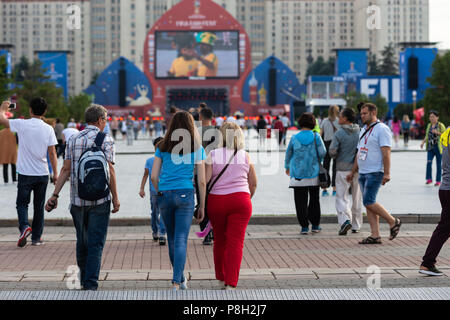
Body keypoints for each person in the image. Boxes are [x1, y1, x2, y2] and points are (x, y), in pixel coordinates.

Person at [45, 104, 120, 291]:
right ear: (100, 120)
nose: (106, 122)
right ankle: (91, 284)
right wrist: (116, 198)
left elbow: (65, 169)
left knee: (82, 240)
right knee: (96, 242)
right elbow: (110, 170)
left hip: (78, 200)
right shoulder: (107, 140)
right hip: (100, 200)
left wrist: (54, 195)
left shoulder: (74, 139)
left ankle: (83, 280)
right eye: (106, 119)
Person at [150, 111, 206, 291]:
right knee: (181, 238)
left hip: (165, 193)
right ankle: (177, 280)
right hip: (185, 194)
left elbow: (153, 176)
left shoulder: (162, 145)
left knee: (172, 238)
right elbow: (202, 181)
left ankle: (180, 278)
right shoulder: (197, 148)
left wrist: (160, 192)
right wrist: (202, 205)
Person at [0, 99, 58, 247]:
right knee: (39, 207)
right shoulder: (48, 128)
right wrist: (55, 173)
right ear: (44, 112)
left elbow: (3, 120)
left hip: (25, 173)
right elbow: (52, 153)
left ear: (30, 110)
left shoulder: (22, 124)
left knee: (22, 204)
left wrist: (2, 108)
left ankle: (25, 227)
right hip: (42, 173)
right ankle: (37, 238)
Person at [206, 122, 257, 290]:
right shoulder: (245, 156)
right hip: (241, 201)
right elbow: (254, 183)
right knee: (236, 243)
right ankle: (231, 282)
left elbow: (204, 181)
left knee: (219, 240)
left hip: (217, 201)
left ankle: (221, 278)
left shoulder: (212, 154)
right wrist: (246, 197)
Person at [347, 103, 401, 245]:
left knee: (368, 201)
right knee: (368, 204)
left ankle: (393, 221)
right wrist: (352, 171)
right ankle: (375, 235)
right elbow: (359, 152)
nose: (362, 115)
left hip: (375, 171)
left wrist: (387, 173)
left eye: (365, 113)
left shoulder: (382, 129)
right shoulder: (363, 129)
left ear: (373, 113)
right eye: (361, 113)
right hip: (363, 172)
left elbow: (386, 152)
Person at [285, 113, 326, 235]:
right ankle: (315, 225)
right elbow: (323, 152)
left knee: (300, 201)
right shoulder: (316, 136)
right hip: (313, 172)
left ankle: (304, 226)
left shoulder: (294, 138)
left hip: (298, 174)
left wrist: (287, 167)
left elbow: (288, 154)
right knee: (314, 199)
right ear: (313, 123)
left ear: (300, 123)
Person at [419, 126, 450, 276]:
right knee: (444, 228)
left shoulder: (447, 133)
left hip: (445, 188)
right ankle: (427, 263)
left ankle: (428, 262)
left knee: (444, 228)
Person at [329, 108, 363, 235]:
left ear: (345, 118)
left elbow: (332, 151)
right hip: (358, 169)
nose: (338, 118)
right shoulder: (360, 131)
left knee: (341, 197)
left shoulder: (339, 133)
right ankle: (356, 225)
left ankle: (345, 220)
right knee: (357, 197)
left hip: (342, 169)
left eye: (341, 116)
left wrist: (336, 155)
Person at [196, 106, 220, 245]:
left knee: (202, 202)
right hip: (215, 171)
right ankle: (216, 231)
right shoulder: (218, 132)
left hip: (199, 171)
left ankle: (206, 234)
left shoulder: (195, 132)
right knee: (214, 202)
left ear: (200, 117)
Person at [139, 137, 166, 245]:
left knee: (163, 212)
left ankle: (162, 234)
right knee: (155, 212)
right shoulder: (150, 161)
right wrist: (141, 188)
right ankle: (155, 230)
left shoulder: (167, 160)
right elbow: (146, 175)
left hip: (165, 190)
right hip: (154, 191)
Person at [421, 110, 446, 186]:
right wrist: (423, 142)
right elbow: (427, 135)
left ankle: (438, 180)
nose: (431, 118)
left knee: (439, 164)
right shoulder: (429, 125)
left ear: (437, 117)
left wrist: (437, 133)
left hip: (438, 148)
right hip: (430, 148)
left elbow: (445, 135)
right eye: (430, 117)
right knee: (429, 163)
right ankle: (429, 179)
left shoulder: (440, 125)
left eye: (433, 117)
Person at [320, 105, 340, 196]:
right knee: (335, 167)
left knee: (325, 167)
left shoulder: (324, 121)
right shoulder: (339, 121)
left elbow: (320, 134)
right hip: (336, 145)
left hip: (326, 145)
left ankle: (324, 189)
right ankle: (335, 188)